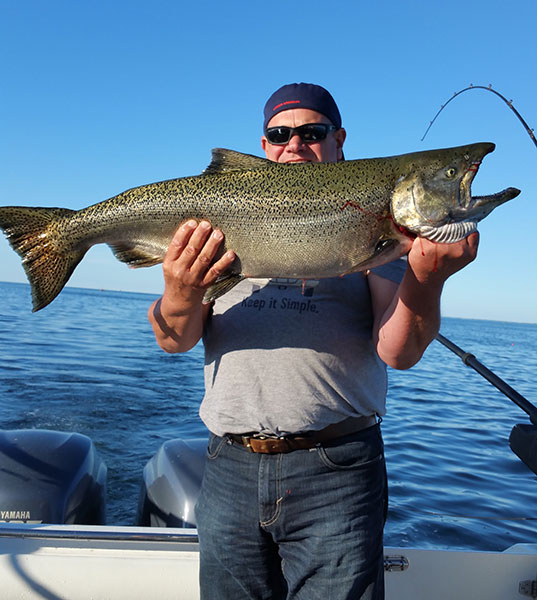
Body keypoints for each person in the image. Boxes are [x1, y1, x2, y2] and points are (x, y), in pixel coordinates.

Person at [148, 83, 478, 599]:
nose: (295, 145)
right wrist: (180, 290)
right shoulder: (218, 222)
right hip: (228, 468)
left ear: (339, 139)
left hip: (337, 471)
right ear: (263, 146)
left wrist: (427, 280)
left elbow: (400, 351)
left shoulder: (382, 227)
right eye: (280, 134)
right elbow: (173, 339)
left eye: (312, 132)